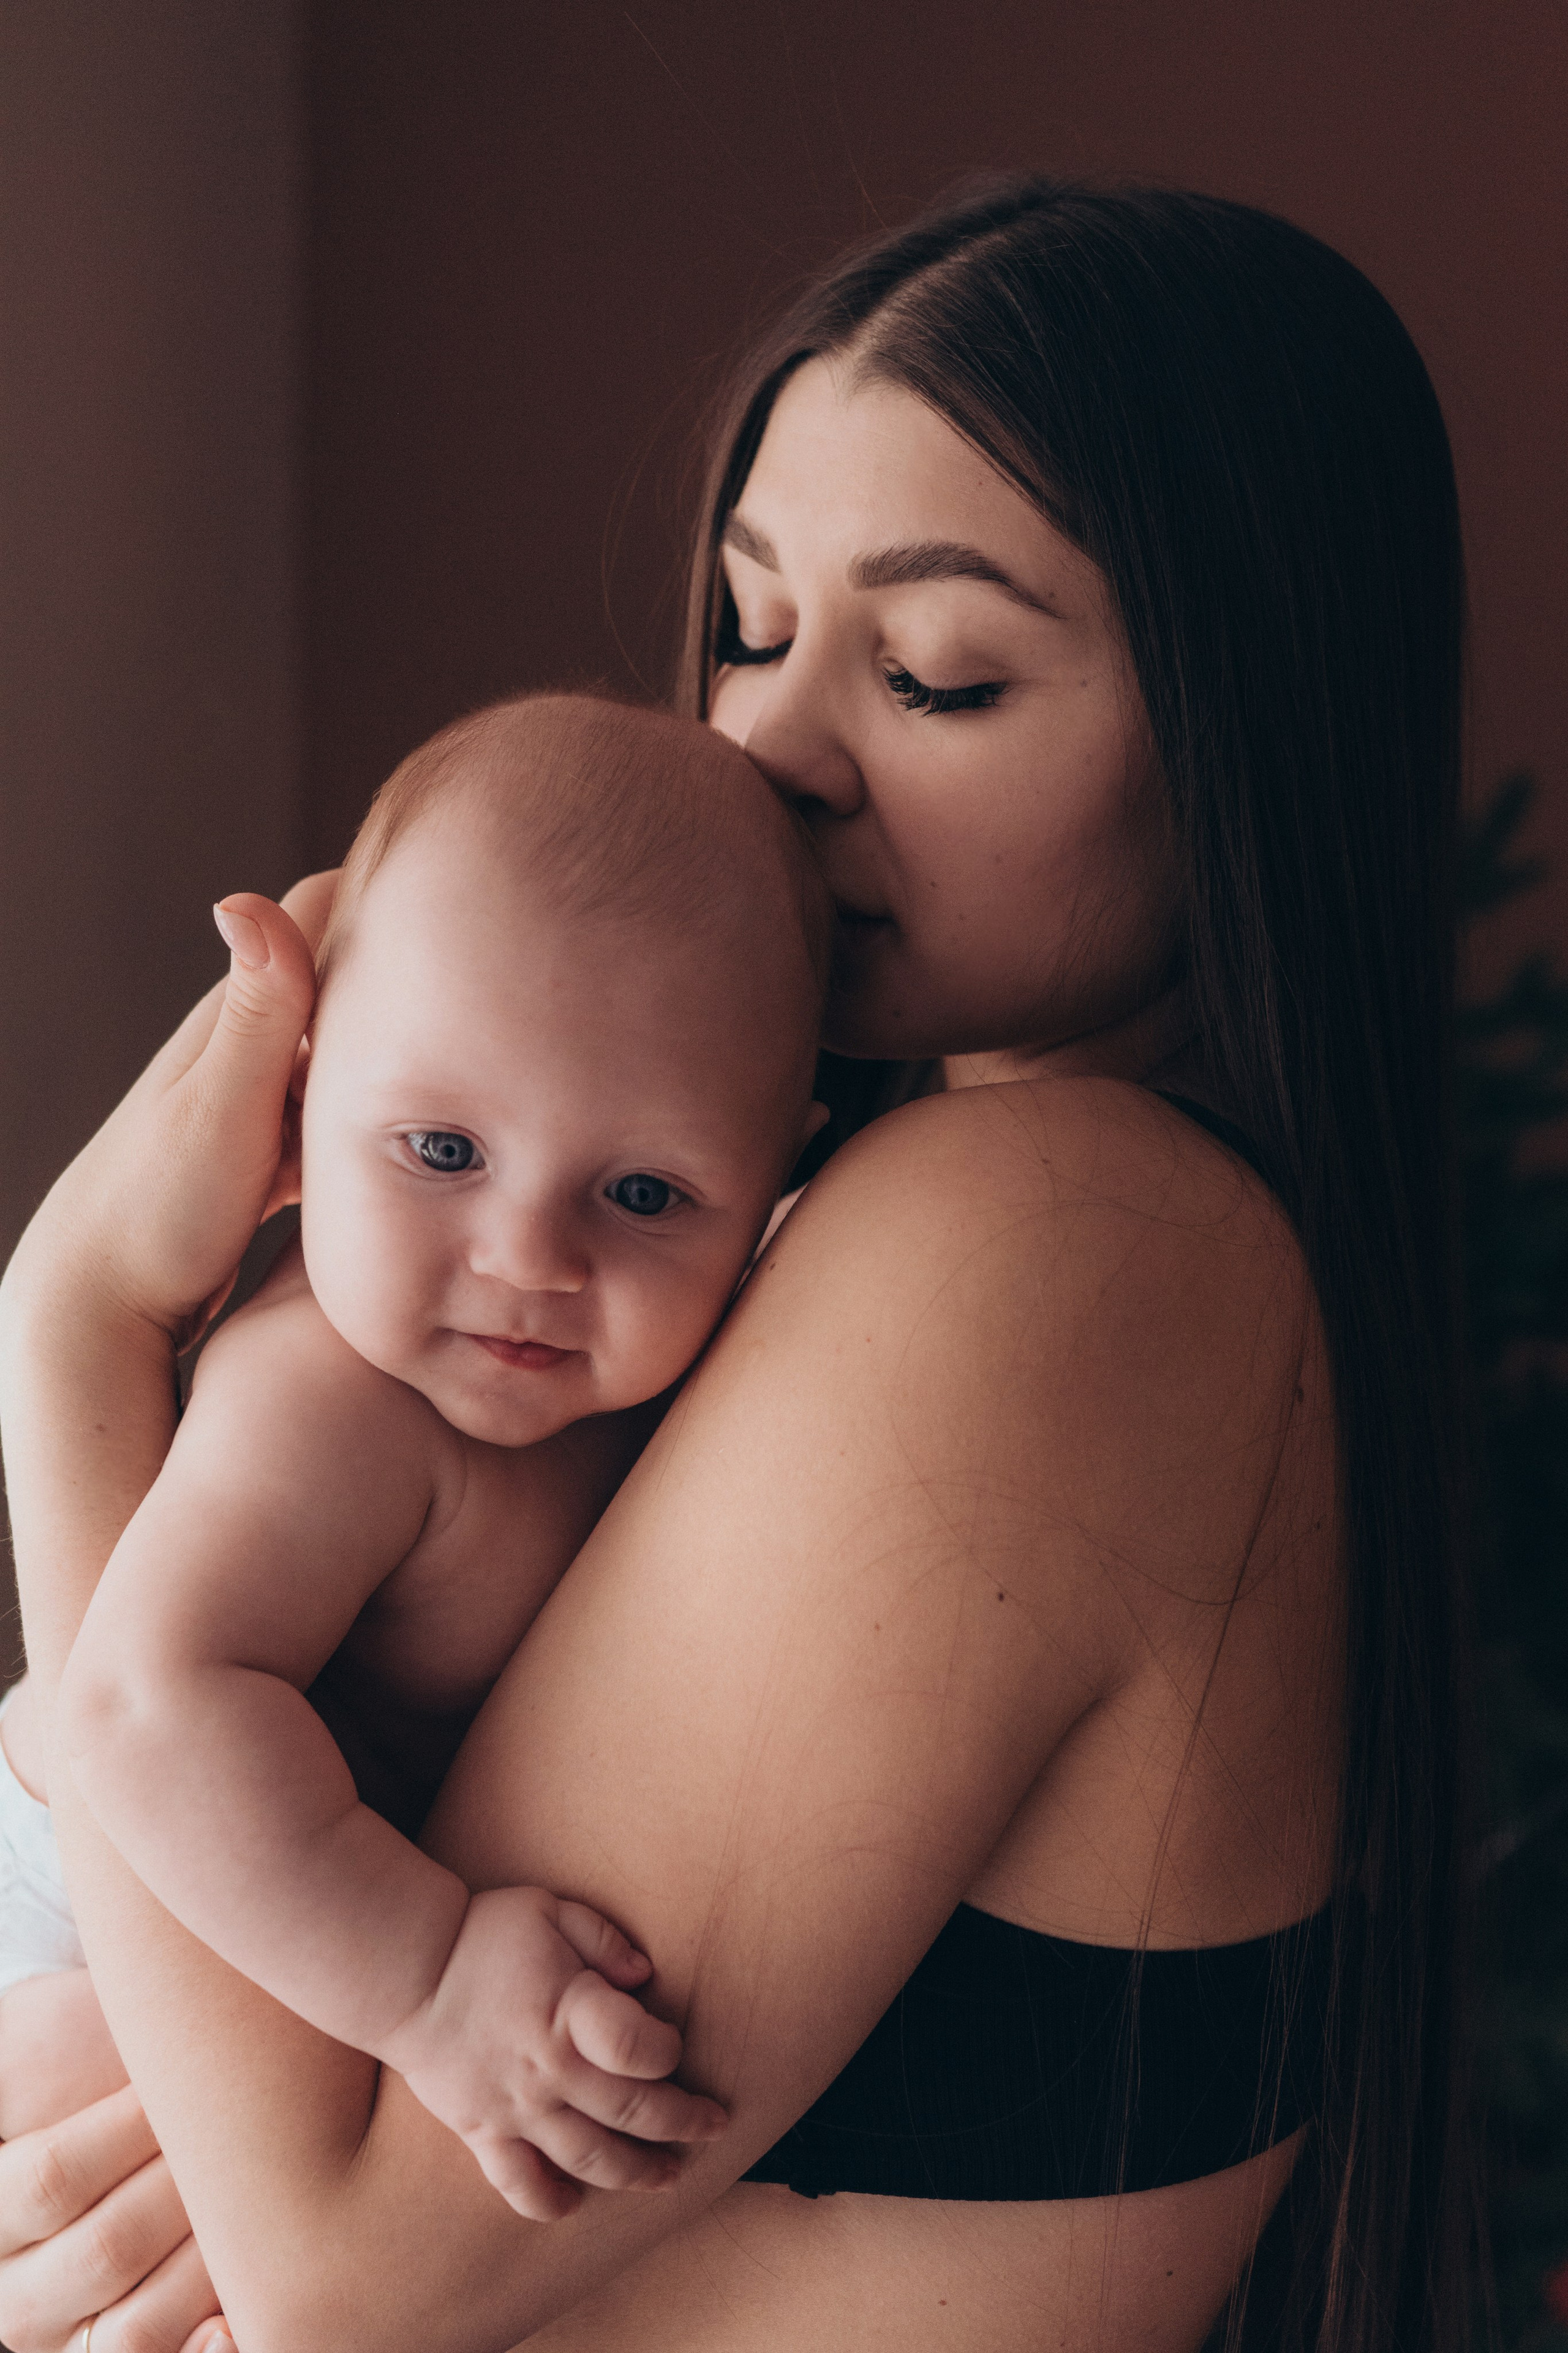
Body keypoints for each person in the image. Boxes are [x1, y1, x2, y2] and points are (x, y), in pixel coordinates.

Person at [0, 176, 1473, 2353]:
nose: (767, 750)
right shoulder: (956, 1226)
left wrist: (78, 1328)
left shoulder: (1057, 1230)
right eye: (757, 626)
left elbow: (336, 2260)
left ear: (1243, 734)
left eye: (940, 673)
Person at [13, 693, 825, 2216]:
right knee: (87, 2099)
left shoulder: (711, 1374)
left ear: (778, 1196)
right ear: (300, 1104)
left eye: (645, 1193)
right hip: (85, 1885)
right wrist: (429, 1979)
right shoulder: (328, 1386)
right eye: (442, 1152)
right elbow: (140, 1706)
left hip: (275, 1878)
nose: (526, 1257)